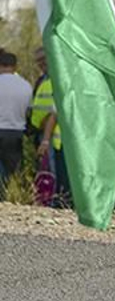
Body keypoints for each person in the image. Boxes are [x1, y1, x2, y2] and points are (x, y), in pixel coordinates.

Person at [28, 46, 69, 208]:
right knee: (48, 170)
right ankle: (51, 200)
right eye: (38, 61)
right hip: (44, 132)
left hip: (53, 134)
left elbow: (54, 112)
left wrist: (45, 139)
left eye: (44, 60)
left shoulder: (57, 79)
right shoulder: (43, 80)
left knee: (54, 171)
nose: (41, 64)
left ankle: (57, 202)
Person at [0, 49, 32, 190]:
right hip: (16, 132)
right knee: (12, 171)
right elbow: (29, 110)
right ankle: (11, 196)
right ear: (15, 66)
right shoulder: (26, 85)